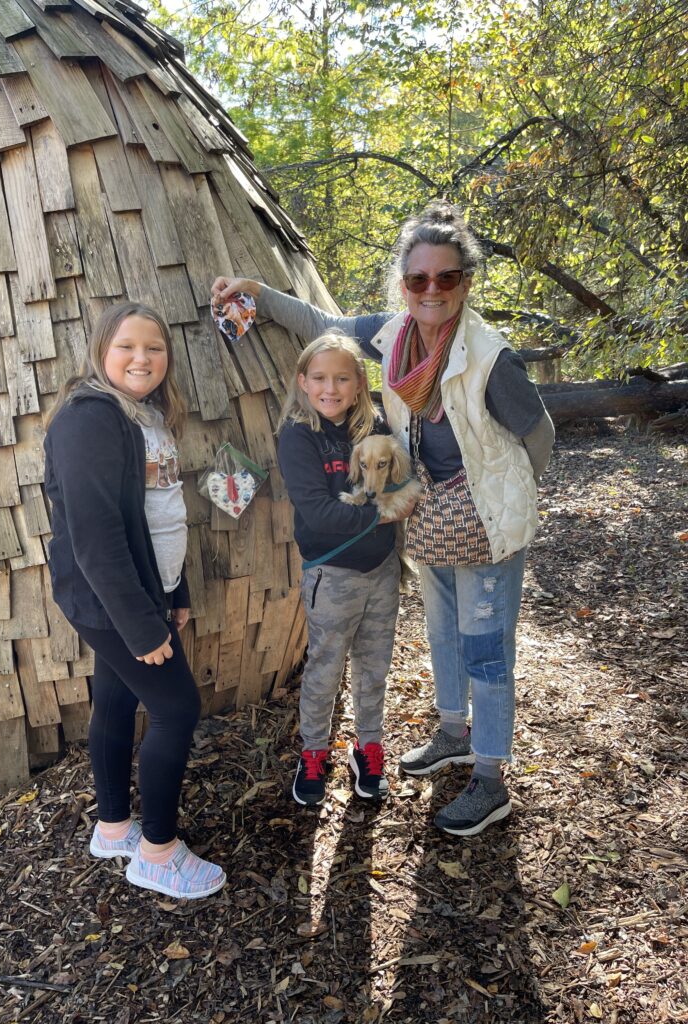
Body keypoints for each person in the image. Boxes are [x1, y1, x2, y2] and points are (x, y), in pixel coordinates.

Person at [212, 200, 555, 837]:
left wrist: (503, 495)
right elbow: (324, 322)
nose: (432, 291)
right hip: (427, 513)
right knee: (445, 633)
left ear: (466, 283)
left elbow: (540, 436)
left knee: (487, 650)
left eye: (446, 278)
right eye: (419, 279)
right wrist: (257, 293)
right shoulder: (395, 336)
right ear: (404, 285)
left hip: (480, 518)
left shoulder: (488, 356)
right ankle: (453, 734)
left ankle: (489, 779)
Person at [44, 302, 225, 898]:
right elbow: (97, 540)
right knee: (177, 711)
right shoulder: (89, 420)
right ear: (101, 351)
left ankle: (114, 827)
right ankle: (157, 854)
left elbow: (161, 513)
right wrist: (142, 627)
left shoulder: (143, 417)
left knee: (118, 703)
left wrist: (174, 592)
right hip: (113, 603)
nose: (142, 358)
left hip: (142, 595)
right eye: (127, 346)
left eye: (154, 347)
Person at [275, 331, 413, 805]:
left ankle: (368, 746)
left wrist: (396, 503)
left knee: (374, 666)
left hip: (382, 570)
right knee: (325, 668)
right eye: (319, 378)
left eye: (341, 378)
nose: (329, 388)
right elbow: (319, 514)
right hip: (331, 575)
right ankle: (314, 752)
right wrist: (383, 512)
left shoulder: (375, 427)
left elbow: (405, 478)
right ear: (302, 381)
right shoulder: (298, 436)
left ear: (358, 383)